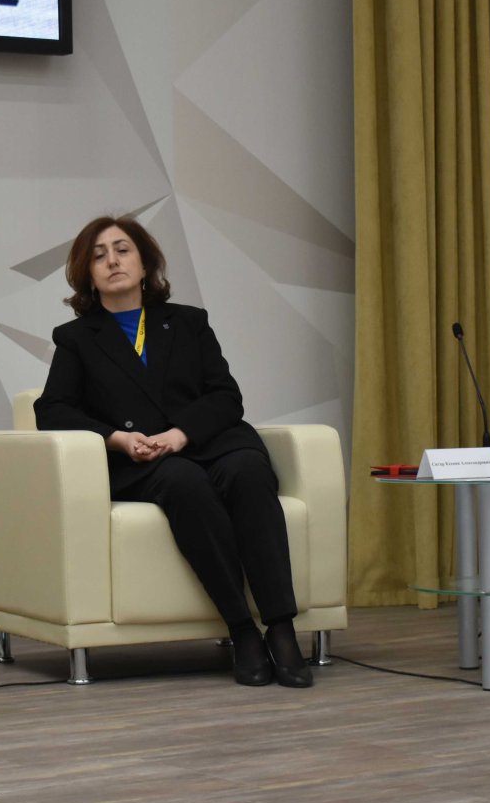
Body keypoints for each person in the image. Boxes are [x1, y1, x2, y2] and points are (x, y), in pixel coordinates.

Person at [34, 216, 312, 688]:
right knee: (184, 482)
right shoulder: (76, 338)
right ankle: (242, 629)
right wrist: (117, 438)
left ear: (145, 265)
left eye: (122, 250)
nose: (112, 261)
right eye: (99, 256)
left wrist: (182, 434)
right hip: (140, 461)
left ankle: (282, 629)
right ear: (88, 275)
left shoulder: (188, 322)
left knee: (248, 470)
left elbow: (226, 396)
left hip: (208, 443)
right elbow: (52, 410)